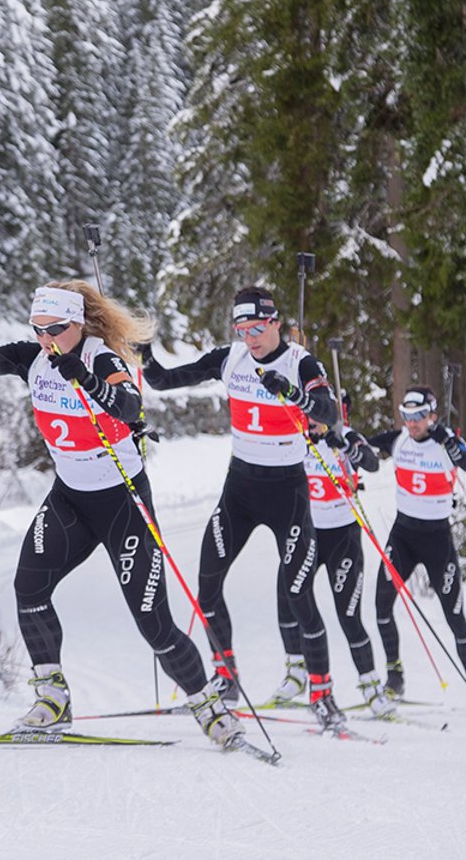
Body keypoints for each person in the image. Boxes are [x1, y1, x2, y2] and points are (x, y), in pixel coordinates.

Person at [0, 274, 244, 748]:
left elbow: (129, 406)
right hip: (71, 497)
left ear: (77, 324)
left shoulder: (103, 357)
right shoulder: (31, 357)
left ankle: (208, 706)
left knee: (152, 619)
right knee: (29, 588)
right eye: (38, 328)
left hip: (123, 500)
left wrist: (87, 380)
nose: (45, 339)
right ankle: (52, 698)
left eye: (54, 329)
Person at [140, 286, 348, 730]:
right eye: (242, 329)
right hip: (240, 489)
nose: (250, 338)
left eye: (258, 328)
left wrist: (294, 393)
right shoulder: (230, 358)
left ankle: (323, 693)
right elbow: (163, 380)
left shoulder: (300, 362)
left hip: (287, 491)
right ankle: (226, 677)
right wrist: (144, 354)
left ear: (276, 323)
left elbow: (329, 413)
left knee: (299, 595)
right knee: (207, 585)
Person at [365, 387, 466, 709]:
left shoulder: (445, 443)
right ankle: (394, 677)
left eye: (418, 416)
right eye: (406, 416)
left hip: (437, 542)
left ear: (432, 416)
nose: (411, 423)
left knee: (455, 618)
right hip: (402, 538)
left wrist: (447, 439)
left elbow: (465, 464)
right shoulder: (398, 440)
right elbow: (364, 444)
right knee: (381, 606)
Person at [273, 393, 393, 716]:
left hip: (343, 537)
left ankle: (371, 686)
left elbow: (372, 463)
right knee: (286, 596)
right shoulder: (295, 438)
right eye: (308, 413)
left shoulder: (345, 438)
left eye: (320, 415)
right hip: (306, 533)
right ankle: (297, 670)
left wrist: (349, 448)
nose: (313, 421)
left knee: (349, 615)